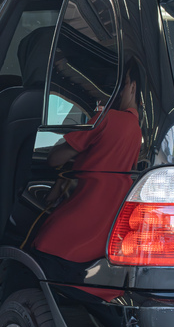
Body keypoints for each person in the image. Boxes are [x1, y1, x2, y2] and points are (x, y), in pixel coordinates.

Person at [31, 59, 142, 272]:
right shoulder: (137, 133)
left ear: (133, 86)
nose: (119, 93)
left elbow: (55, 159)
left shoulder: (108, 118)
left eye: (124, 85)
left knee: (36, 257)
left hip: (73, 227)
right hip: (105, 237)